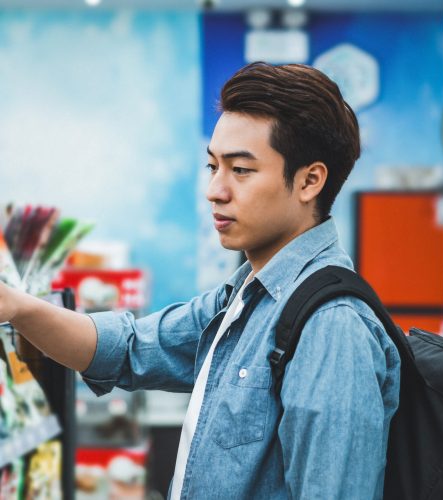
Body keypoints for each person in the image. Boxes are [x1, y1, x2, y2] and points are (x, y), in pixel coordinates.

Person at [0, 62, 400, 499]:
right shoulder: (246, 296)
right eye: (212, 167)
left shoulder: (332, 329)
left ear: (309, 181)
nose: (215, 190)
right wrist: (17, 307)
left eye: (241, 170)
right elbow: (129, 348)